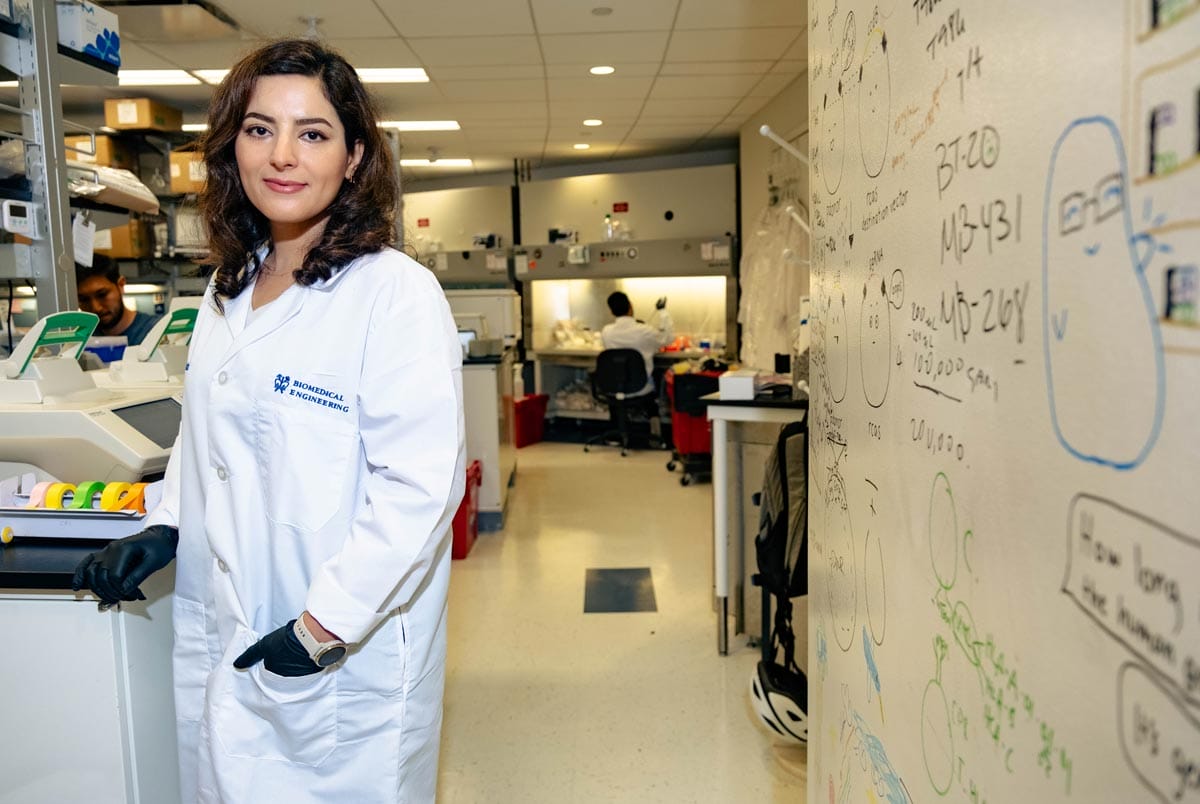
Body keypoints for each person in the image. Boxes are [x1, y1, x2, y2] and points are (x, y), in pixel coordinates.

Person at [72, 39, 466, 802]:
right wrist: (168, 525)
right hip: (226, 626)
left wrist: (323, 628)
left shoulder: (394, 294)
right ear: (232, 146)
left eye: (312, 133)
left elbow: (420, 489)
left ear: (353, 156)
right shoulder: (230, 285)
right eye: (259, 129)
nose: (282, 156)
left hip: (338, 652)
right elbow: (208, 437)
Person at [75, 255, 161, 344]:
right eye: (84, 299)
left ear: (121, 284)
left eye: (102, 295)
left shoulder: (156, 332)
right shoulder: (80, 340)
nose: (96, 308)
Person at [600, 290, 672, 396]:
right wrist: (663, 311)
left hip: (614, 389)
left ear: (611, 311)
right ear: (631, 306)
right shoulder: (644, 331)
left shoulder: (606, 331)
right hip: (642, 388)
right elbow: (668, 338)